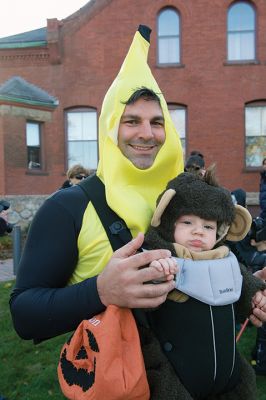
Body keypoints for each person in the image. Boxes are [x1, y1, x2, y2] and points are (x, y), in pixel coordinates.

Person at [9, 23, 266, 394]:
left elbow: (223, 262)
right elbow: (23, 314)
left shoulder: (186, 197)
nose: (146, 132)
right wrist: (100, 291)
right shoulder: (69, 207)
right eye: (131, 120)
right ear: (111, 128)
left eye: (157, 122)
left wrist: (251, 296)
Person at [142, 168, 266, 399]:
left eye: (208, 226)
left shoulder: (224, 260)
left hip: (227, 378)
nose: (198, 231)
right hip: (177, 380)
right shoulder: (161, 258)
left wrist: (254, 295)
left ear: (220, 231)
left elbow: (240, 281)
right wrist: (156, 271)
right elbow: (143, 299)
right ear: (168, 223)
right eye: (187, 222)